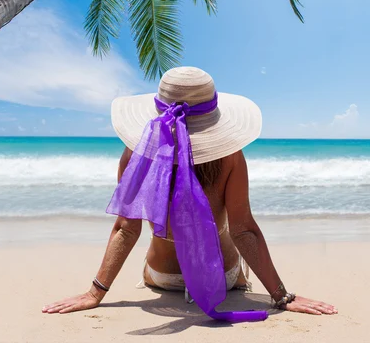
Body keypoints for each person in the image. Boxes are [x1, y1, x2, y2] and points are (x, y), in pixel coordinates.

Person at [43, 67, 337, 319]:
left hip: (162, 277)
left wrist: (95, 292)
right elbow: (243, 230)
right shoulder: (230, 155)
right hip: (221, 279)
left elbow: (126, 228)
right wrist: (282, 296)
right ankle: (239, 278)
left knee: (151, 254)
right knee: (231, 250)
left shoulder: (138, 151)